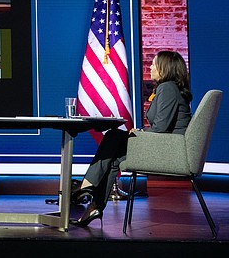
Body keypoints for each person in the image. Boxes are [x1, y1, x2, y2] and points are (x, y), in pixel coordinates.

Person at [72, 50, 193, 227]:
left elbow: (160, 128)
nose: (150, 66)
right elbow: (162, 126)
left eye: (154, 63)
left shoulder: (168, 88)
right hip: (166, 145)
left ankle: (87, 185)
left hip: (170, 150)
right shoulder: (168, 89)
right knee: (114, 160)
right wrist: (141, 132)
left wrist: (140, 133)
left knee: (114, 135)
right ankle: (94, 206)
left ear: (165, 68)